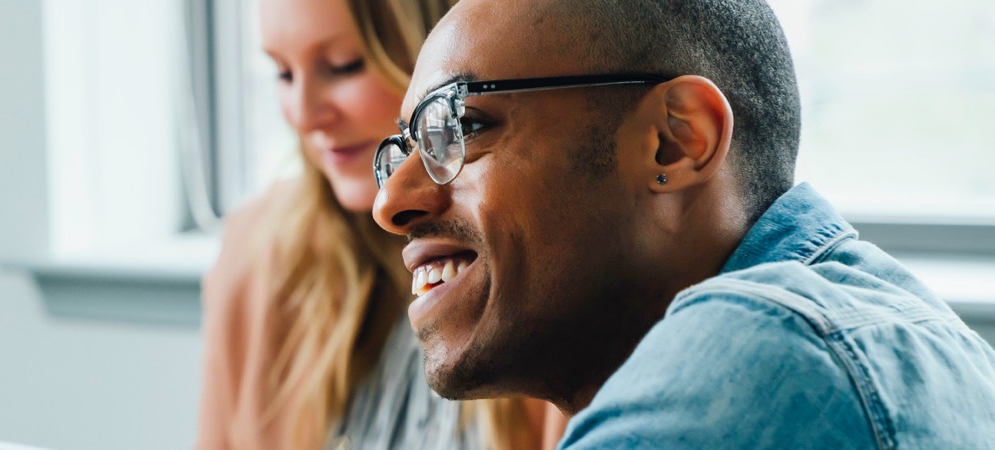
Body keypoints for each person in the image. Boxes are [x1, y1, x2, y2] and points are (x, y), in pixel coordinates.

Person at [370, 0, 995, 447]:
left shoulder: (759, 360)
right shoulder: (873, 328)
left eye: (460, 128)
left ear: (675, 141)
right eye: (404, 148)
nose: (390, 202)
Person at [195, 0, 567, 448]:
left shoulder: (552, 257)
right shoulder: (256, 254)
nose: (304, 114)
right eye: (283, 73)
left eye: (342, 66)